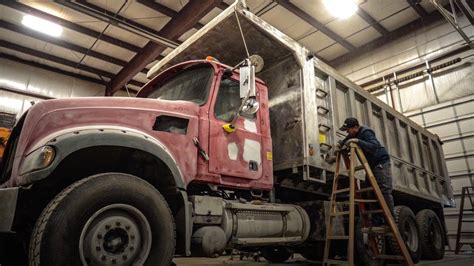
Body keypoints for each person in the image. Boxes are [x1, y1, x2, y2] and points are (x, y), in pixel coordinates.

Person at [338, 117, 394, 217]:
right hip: (371, 166)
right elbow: (345, 141)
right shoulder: (353, 134)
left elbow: (374, 146)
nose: (347, 132)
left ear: (355, 127)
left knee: (384, 191)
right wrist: (339, 147)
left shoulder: (366, 132)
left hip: (380, 163)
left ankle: (390, 220)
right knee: (370, 192)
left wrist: (358, 141)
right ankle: (377, 220)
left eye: (348, 130)